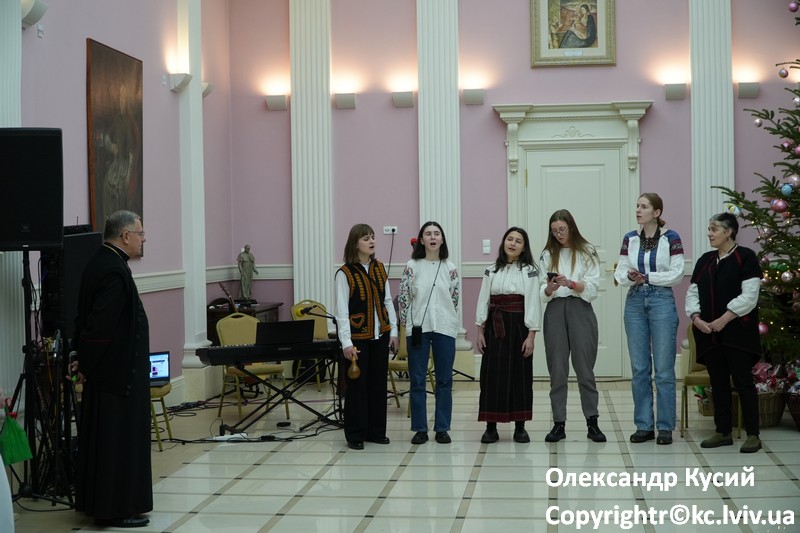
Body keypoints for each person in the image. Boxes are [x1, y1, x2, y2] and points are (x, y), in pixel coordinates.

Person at [71, 210, 151, 528]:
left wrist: (82, 359)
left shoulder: (101, 262)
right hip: (117, 376)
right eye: (140, 233)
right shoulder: (113, 270)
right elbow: (100, 327)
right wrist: (85, 363)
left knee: (107, 442)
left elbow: (85, 320)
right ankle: (115, 509)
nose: (143, 239)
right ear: (125, 235)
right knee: (117, 444)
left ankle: (102, 504)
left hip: (108, 373)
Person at [686, 213, 763, 453]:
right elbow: (692, 292)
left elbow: (749, 296)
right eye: (709, 229)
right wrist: (696, 318)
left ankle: (753, 434)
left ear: (729, 232)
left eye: (714, 229)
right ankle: (722, 432)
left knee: (743, 382)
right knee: (717, 382)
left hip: (738, 334)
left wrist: (724, 319)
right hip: (709, 333)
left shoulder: (745, 257)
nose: (709, 233)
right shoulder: (705, 260)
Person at [614, 193, 684, 445]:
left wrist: (649, 277)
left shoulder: (671, 238)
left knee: (663, 369)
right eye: (637, 206)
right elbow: (620, 271)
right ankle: (644, 425)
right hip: (635, 301)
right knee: (639, 368)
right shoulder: (630, 238)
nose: (638, 210)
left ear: (657, 212)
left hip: (661, 300)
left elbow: (677, 273)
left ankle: (665, 426)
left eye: (644, 207)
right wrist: (630, 277)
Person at [539, 210, 605, 443]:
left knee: (585, 369)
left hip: (580, 309)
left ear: (571, 228)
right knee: (557, 370)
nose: (558, 234)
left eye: (562, 230)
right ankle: (559, 423)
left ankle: (592, 422)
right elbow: (541, 291)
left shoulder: (587, 251)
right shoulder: (547, 254)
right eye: (554, 231)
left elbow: (593, 288)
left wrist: (572, 284)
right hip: (555, 310)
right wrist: (550, 288)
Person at [335, 224, 399, 450]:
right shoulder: (344, 273)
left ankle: (376, 431)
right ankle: (355, 434)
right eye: (365, 238)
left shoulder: (379, 268)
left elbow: (388, 301)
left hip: (380, 336)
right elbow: (341, 311)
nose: (371, 241)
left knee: (378, 385)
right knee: (357, 387)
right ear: (355, 244)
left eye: (372, 237)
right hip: (357, 338)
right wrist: (346, 342)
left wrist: (393, 331)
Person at [475, 227, 541, 444]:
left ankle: (520, 426)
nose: (512, 243)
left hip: (519, 326)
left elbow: (533, 302)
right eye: (509, 239)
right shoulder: (491, 270)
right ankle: (490, 426)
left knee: (520, 374)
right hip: (494, 326)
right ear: (503, 242)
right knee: (491, 375)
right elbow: (483, 299)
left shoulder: (530, 271)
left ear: (524, 247)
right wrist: (480, 330)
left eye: (518, 241)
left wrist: (531, 335)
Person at [398, 221, 460, 445]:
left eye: (436, 234)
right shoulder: (412, 266)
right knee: (417, 379)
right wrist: (404, 325)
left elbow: (454, 299)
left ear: (442, 240)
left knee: (444, 380)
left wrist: (449, 320)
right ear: (421, 240)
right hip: (418, 329)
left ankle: (442, 428)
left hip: (445, 328)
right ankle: (420, 428)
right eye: (428, 234)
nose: (433, 237)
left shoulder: (450, 267)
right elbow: (404, 298)